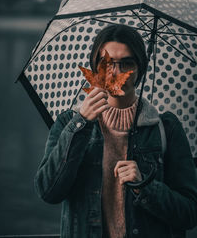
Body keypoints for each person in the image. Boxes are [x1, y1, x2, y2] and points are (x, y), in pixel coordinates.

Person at [34, 24, 197, 238]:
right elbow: (48, 191)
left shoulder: (167, 127)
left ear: (141, 69)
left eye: (127, 63)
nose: (117, 73)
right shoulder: (69, 122)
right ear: (95, 69)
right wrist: (81, 123)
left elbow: (190, 213)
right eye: (107, 63)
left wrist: (145, 187)